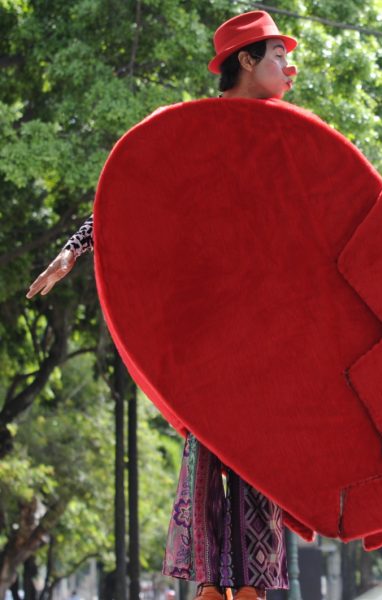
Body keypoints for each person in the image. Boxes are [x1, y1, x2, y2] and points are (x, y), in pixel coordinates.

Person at [26, 11, 298, 600]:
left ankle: (246, 590)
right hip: (206, 331)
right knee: (206, 458)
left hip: (269, 336)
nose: (289, 66)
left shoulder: (294, 136)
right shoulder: (193, 131)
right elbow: (137, 193)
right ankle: (207, 587)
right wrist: (75, 249)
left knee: (260, 466)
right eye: (278, 54)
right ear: (246, 61)